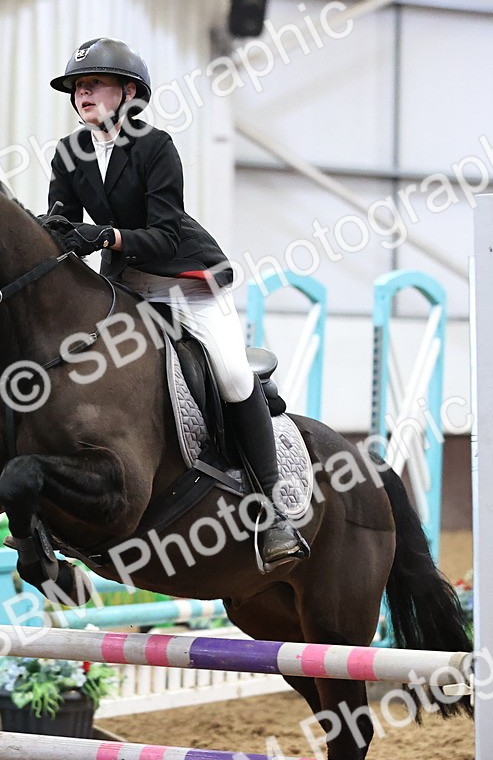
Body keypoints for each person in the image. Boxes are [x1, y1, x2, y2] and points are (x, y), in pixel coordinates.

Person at [41, 37, 305, 569]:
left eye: (94, 83)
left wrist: (106, 237)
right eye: (77, 86)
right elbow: (60, 220)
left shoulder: (156, 146)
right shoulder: (69, 153)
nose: (82, 92)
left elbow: (163, 233)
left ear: (129, 92)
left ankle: (272, 508)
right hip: (126, 284)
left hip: (184, 280)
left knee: (232, 373)